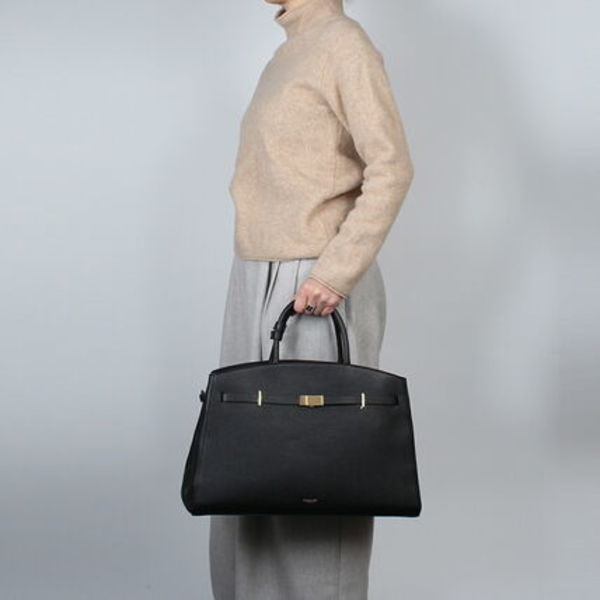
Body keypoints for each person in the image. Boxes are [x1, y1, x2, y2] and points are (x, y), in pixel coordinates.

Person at [209, 0, 414, 598]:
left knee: (317, 466)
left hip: (313, 284)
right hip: (256, 273)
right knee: (249, 463)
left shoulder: (343, 43)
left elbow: (392, 166)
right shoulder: (289, 51)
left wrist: (336, 273)